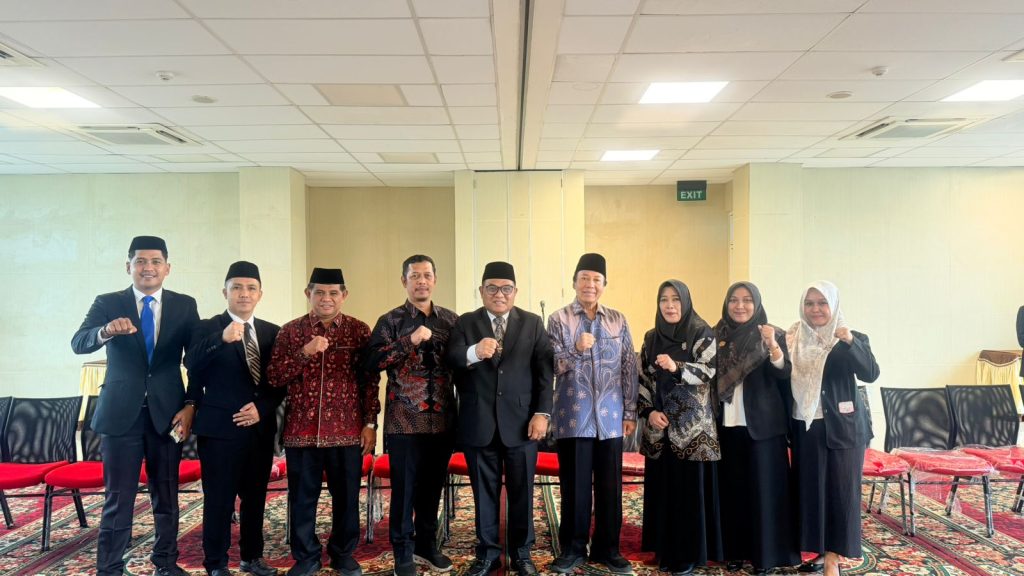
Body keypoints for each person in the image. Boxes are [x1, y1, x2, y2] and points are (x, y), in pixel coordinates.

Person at [71, 235, 199, 576]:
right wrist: (105, 331)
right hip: (120, 414)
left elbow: (197, 360)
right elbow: (79, 342)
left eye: (156, 261)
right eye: (140, 261)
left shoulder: (184, 305)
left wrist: (191, 403)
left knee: (166, 495)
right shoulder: (108, 302)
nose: (148, 267)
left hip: (167, 415)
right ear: (128, 266)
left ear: (168, 268)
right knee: (118, 497)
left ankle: (166, 563)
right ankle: (109, 568)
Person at [267, 267, 381, 576]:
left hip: (348, 431)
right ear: (308, 294)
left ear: (344, 295)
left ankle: (343, 553)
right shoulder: (290, 332)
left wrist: (370, 423)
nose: (326, 298)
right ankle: (306, 557)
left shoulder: (359, 331)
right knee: (303, 499)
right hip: (301, 432)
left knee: (346, 498)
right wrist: (305, 352)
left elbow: (370, 381)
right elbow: (274, 377)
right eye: (319, 292)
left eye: (333, 293)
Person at [445, 261, 554, 576]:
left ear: (515, 291)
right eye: (491, 288)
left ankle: (522, 553)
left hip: (522, 423)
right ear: (481, 291)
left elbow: (544, 373)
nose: (499, 294)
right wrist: (474, 352)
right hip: (479, 422)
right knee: (484, 492)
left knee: (523, 491)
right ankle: (487, 553)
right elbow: (451, 358)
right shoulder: (466, 322)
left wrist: (542, 414)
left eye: (506, 288)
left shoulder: (532, 323)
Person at [185, 261, 283, 576]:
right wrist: (221, 338)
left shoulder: (272, 332)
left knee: (255, 499)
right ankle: (215, 563)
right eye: (237, 287)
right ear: (224, 292)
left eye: (251, 288)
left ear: (260, 294)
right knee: (219, 500)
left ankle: (252, 557)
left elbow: (280, 382)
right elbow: (191, 364)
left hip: (259, 429)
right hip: (220, 432)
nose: (244, 293)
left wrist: (262, 408)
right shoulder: (208, 327)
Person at [363, 255, 458, 576]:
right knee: (404, 490)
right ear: (404, 281)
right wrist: (409, 341)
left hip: (442, 421)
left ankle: (426, 545)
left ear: (435, 280)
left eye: (427, 275)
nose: (421, 281)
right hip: (403, 421)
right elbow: (372, 363)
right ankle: (402, 550)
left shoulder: (451, 320)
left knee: (432, 487)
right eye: (415, 276)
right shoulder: (390, 320)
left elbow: (462, 364)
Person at [547, 253, 638, 575]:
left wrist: (630, 411)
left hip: (611, 417)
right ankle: (573, 549)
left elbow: (629, 366)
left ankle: (608, 549)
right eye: (584, 278)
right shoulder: (558, 319)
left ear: (604, 284)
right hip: (574, 416)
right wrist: (576, 349)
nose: (590, 284)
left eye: (596, 279)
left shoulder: (618, 320)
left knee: (611, 487)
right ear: (574, 282)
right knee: (575, 487)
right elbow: (551, 365)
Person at [787, 281, 879, 576]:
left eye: (822, 303)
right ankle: (819, 549)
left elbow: (870, 372)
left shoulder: (851, 337)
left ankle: (833, 557)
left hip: (844, 428)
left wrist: (849, 340)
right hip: (806, 425)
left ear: (834, 305)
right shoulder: (793, 337)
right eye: (809, 303)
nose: (815, 309)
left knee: (841, 493)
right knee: (812, 491)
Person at [637, 280, 721, 576]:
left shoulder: (701, 331)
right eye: (664, 299)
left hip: (692, 430)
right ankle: (663, 549)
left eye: (676, 299)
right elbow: (643, 378)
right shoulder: (651, 337)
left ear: (686, 302)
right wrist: (649, 412)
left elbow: (709, 370)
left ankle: (688, 555)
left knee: (688, 494)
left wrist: (677, 367)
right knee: (663, 490)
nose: (670, 305)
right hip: (660, 427)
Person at [714, 282, 798, 575]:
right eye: (734, 300)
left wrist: (772, 345)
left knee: (765, 493)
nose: (740, 306)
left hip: (764, 427)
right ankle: (734, 550)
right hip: (727, 425)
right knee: (733, 492)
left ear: (757, 304)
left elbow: (784, 372)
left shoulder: (771, 334)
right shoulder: (716, 335)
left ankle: (766, 555)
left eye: (747, 300)